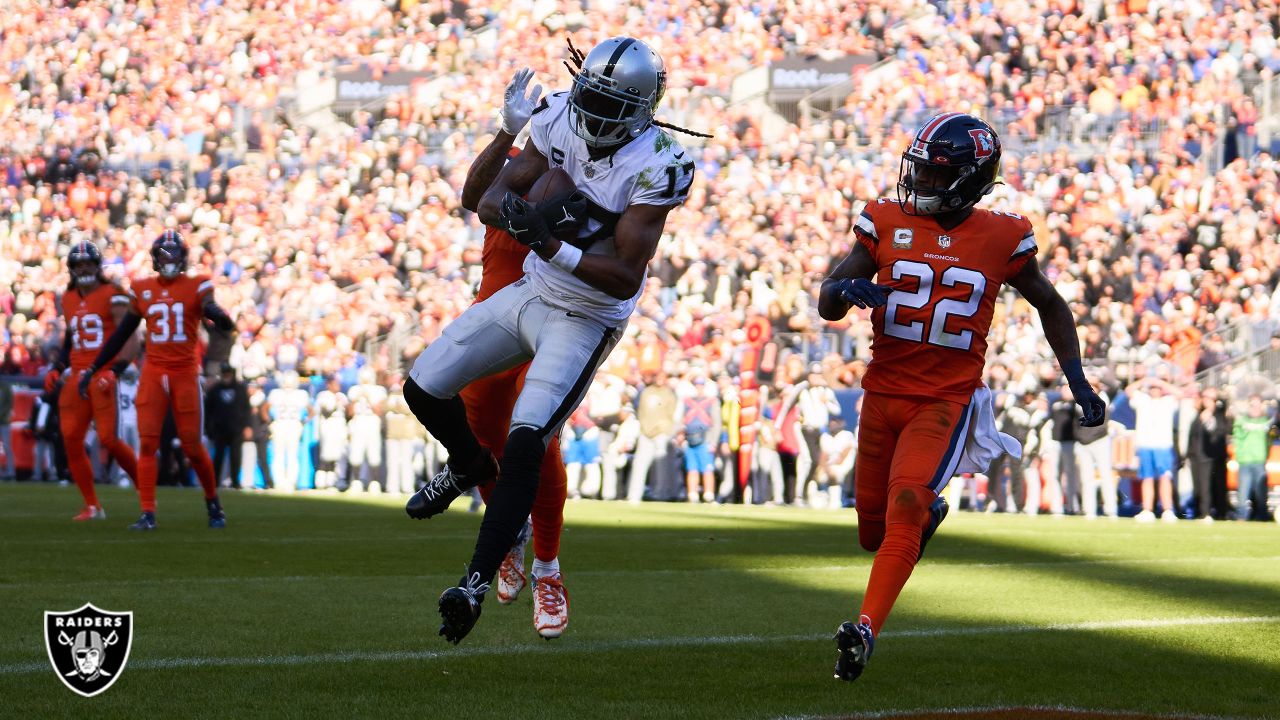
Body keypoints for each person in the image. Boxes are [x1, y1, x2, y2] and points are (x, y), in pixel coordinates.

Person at [399, 37, 700, 645]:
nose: (591, 112)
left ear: (642, 109)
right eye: (589, 95)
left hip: (585, 315)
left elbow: (624, 276)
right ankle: (468, 464)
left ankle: (477, 584)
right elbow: (485, 200)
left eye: (609, 103)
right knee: (423, 389)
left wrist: (550, 236)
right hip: (531, 291)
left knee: (530, 441)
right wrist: (527, 203)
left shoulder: (660, 160)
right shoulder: (559, 114)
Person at [817, 112, 1105, 681]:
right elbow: (827, 300)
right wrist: (843, 291)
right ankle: (928, 514)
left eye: (932, 174)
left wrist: (1076, 377)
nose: (918, 183)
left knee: (904, 505)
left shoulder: (1002, 235)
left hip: (944, 402)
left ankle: (865, 630)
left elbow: (1049, 303)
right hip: (880, 396)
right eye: (917, 171)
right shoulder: (885, 218)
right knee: (872, 534)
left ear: (970, 179)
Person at [83, 230, 236, 530]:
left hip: (185, 372)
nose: (168, 261)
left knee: (192, 446)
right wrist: (95, 366)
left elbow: (215, 314)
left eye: (174, 255)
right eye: (163, 256)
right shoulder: (142, 288)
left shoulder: (198, 283)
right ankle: (147, 512)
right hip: (153, 371)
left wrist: (218, 316)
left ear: (183, 258)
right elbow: (123, 332)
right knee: (148, 444)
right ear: (154, 259)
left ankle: (213, 503)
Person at [54, 241, 140, 520]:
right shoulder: (67, 298)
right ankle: (92, 505)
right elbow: (71, 338)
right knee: (70, 438)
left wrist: (114, 370)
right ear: (71, 269)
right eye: (78, 265)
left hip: (101, 371)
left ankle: (145, 489)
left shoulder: (113, 293)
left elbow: (131, 337)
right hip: (77, 374)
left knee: (109, 439)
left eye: (88, 263)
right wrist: (58, 366)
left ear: (97, 265)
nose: (84, 268)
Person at [1125, 375, 1181, 523]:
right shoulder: (1142, 400)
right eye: (1152, 387)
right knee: (1147, 478)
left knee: (1165, 477)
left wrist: (1161, 382)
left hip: (1162, 445)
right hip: (1145, 444)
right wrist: (1144, 380)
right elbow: (1129, 390)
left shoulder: (1168, 401)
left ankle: (1167, 510)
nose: (1155, 389)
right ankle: (1147, 510)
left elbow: (1179, 394)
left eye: (1157, 388)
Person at [204, 362, 250, 489]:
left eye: (228, 374)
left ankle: (235, 481)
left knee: (236, 457)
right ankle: (215, 481)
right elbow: (208, 410)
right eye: (224, 374)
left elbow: (246, 409)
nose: (226, 376)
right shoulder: (215, 390)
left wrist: (247, 426)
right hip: (220, 429)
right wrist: (208, 428)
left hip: (236, 429)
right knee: (218, 456)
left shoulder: (240, 389)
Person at [1186, 388, 1230, 521]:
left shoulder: (1220, 415)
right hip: (1198, 456)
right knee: (1200, 488)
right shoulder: (1198, 415)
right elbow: (1193, 436)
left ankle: (1215, 513)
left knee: (1215, 487)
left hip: (1214, 457)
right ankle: (1203, 512)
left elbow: (1220, 432)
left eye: (1210, 398)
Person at [1232, 395, 1272, 521]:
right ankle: (1242, 517)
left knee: (1261, 494)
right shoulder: (1241, 421)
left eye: (1258, 405)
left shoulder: (1266, 421)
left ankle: (1262, 517)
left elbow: (1270, 438)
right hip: (1245, 461)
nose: (1255, 408)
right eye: (1252, 405)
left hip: (1259, 461)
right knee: (1243, 493)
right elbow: (1237, 437)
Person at [0, 376, 14, 481]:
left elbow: (9, 403)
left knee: (7, 446)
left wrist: (4, 415)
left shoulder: (5, 386)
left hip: (4, 421)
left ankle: (11, 472)